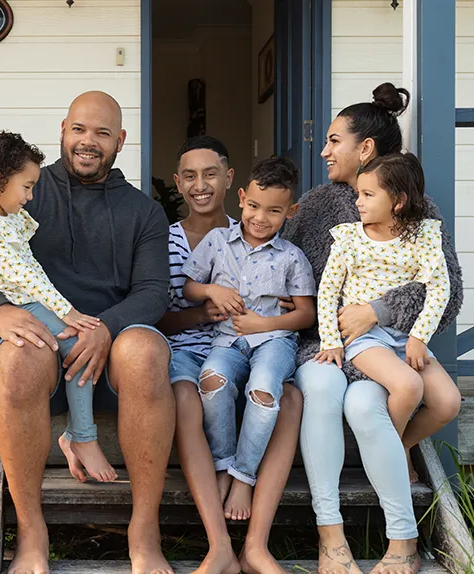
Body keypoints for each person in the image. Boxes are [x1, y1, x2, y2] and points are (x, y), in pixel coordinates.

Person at [0, 91, 176, 574]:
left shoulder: (144, 211)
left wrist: (105, 329)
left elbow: (154, 293)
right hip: (45, 348)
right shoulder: (26, 188)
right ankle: (31, 532)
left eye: (102, 133)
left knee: (147, 351)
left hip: (112, 353)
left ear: (120, 141)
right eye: (80, 130)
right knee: (20, 357)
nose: (88, 142)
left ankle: (144, 531)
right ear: (64, 130)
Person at [281, 83, 463, 574]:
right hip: (324, 344)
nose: (323, 150)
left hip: (392, 346)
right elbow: (288, 269)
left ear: (365, 148)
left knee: (366, 403)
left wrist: (377, 311)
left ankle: (401, 540)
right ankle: (331, 537)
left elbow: (447, 294)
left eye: (334, 140)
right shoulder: (316, 207)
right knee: (320, 386)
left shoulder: (421, 213)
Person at [156, 136, 306, 574]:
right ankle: (219, 545)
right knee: (189, 394)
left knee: (290, 399)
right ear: (178, 183)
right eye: (189, 176)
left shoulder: (280, 247)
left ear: (230, 180)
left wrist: (274, 320)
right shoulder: (164, 240)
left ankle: (256, 543)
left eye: (210, 174)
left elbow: (302, 310)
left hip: (256, 351)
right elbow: (160, 317)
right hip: (195, 351)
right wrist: (207, 307)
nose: (200, 185)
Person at [0, 131, 117, 483]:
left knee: (81, 347)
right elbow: (28, 278)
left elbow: (31, 263)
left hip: (36, 298)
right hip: (25, 303)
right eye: (26, 187)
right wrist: (68, 312)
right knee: (80, 347)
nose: (30, 196)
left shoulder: (6, 216)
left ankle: (77, 435)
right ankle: (82, 437)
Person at [182, 157, 316, 521]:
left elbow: (306, 314)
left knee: (262, 391)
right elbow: (189, 287)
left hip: (274, 343)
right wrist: (211, 290)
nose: (261, 217)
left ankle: (243, 475)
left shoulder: (292, 257)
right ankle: (223, 464)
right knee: (211, 380)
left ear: (291, 211)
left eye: (274, 210)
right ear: (241, 197)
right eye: (254, 206)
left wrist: (263, 325)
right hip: (226, 341)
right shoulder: (217, 241)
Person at [314, 153, 460, 463]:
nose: (359, 202)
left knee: (448, 403)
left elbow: (439, 288)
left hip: (405, 338)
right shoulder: (349, 238)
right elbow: (327, 292)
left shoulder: (423, 236)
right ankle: (391, 461)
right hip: (365, 340)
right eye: (359, 194)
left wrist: (419, 337)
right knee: (408, 386)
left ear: (398, 201)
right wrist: (330, 340)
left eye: (368, 195)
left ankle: (398, 445)